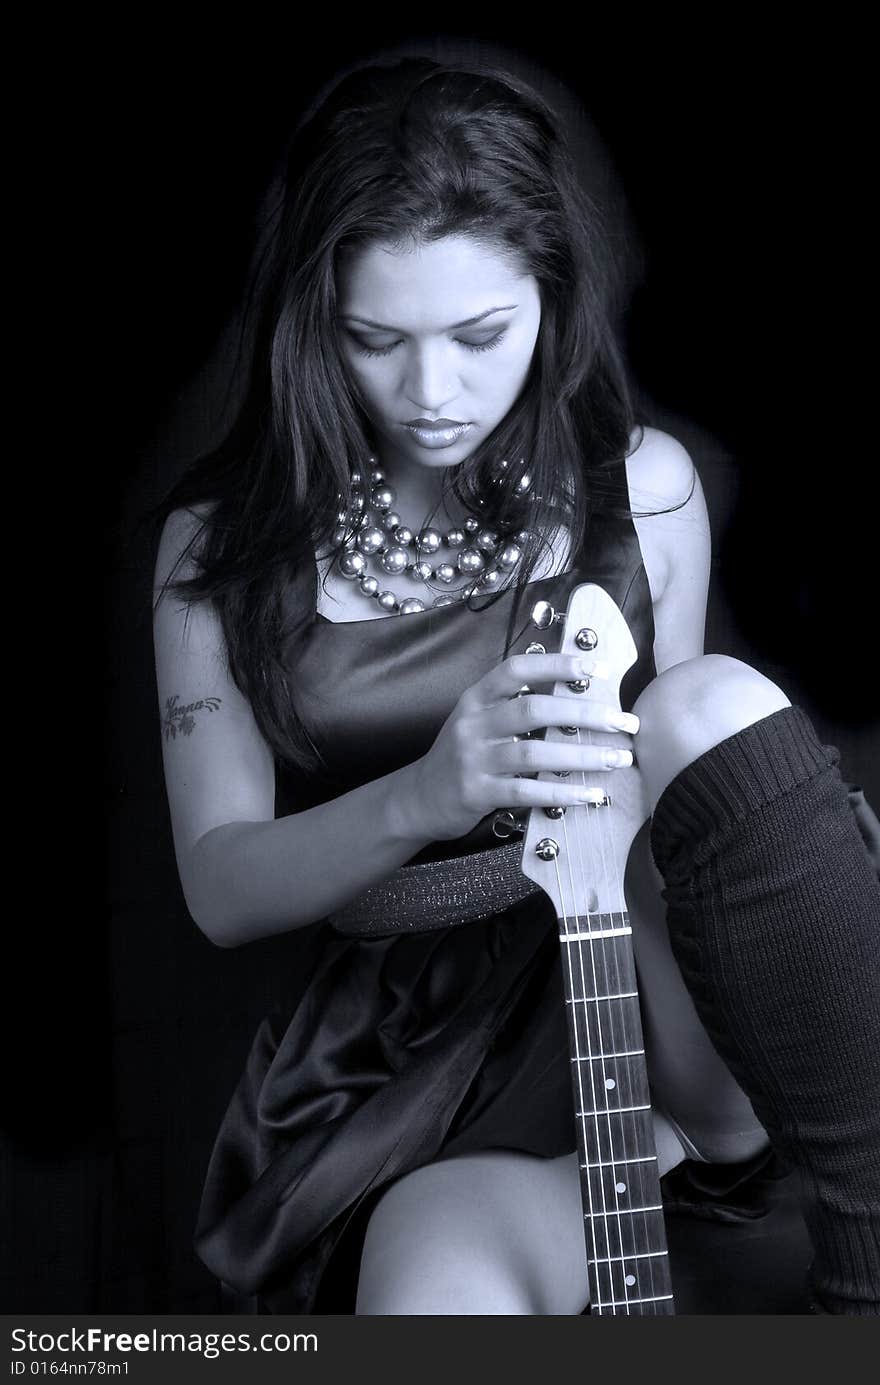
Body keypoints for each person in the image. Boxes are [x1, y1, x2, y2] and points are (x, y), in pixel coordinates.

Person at [151, 56, 880, 1315]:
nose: (430, 396)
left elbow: (679, 817)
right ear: (310, 317)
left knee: (701, 706)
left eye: (479, 336)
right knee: (433, 1284)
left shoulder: (645, 489)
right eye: (372, 339)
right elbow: (221, 885)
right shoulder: (219, 549)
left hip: (647, 994)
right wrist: (429, 792)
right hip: (403, 1051)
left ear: (550, 294)